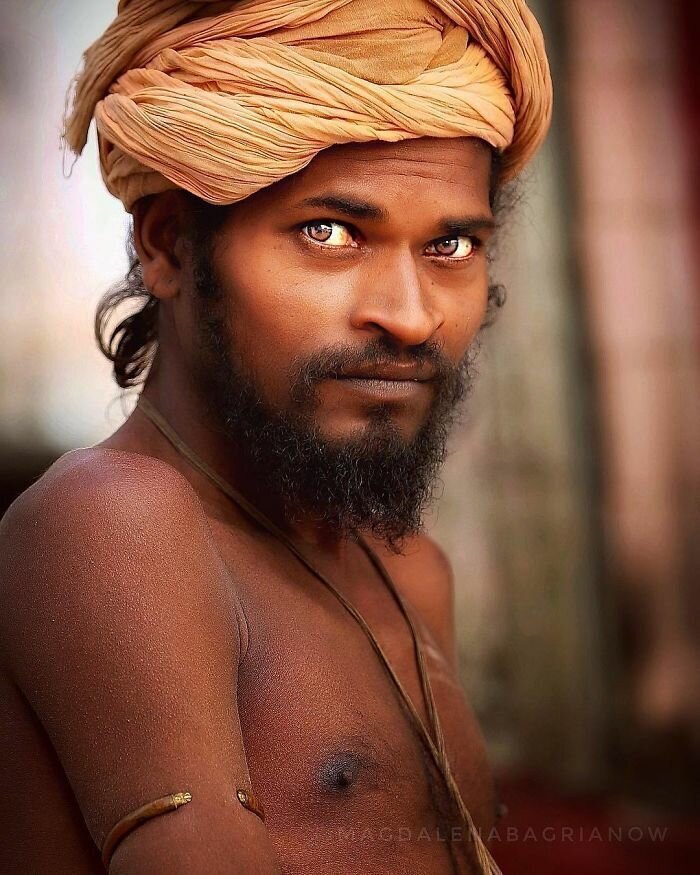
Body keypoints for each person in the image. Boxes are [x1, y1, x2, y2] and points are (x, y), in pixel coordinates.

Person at [0, 1, 551, 872]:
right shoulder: (114, 523)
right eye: (328, 233)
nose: (410, 317)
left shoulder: (410, 570)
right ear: (172, 245)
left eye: (450, 243)